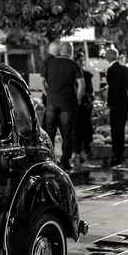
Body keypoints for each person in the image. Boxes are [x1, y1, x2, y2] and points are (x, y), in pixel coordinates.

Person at [40, 41, 84, 170]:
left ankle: (49, 160)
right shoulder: (73, 65)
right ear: (71, 52)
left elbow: (41, 81)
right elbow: (81, 84)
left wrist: (48, 94)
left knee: (49, 133)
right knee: (67, 133)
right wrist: (78, 99)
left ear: (60, 51)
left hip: (51, 103)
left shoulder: (50, 63)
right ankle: (65, 161)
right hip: (68, 104)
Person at [104, 48, 128, 167]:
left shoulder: (111, 70)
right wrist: (124, 89)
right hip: (123, 102)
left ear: (110, 56)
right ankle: (120, 155)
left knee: (115, 130)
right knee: (121, 129)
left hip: (115, 103)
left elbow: (112, 87)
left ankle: (116, 156)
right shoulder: (124, 69)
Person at [73, 50, 95, 166]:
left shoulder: (87, 75)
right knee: (76, 129)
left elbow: (91, 91)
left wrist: (90, 100)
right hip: (76, 105)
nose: (81, 62)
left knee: (85, 128)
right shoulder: (72, 74)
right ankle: (77, 151)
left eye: (83, 60)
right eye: (79, 60)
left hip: (85, 106)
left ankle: (83, 150)